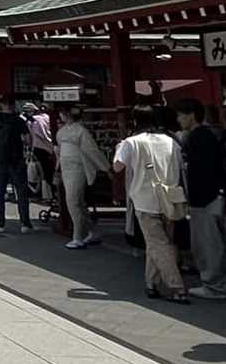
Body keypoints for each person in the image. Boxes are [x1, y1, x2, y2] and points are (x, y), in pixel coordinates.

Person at [113, 105, 188, 304]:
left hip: (145, 199)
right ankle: (151, 283)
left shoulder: (131, 142)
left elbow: (117, 166)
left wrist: (119, 147)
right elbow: (181, 166)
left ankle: (175, 286)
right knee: (159, 242)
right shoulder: (172, 141)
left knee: (158, 243)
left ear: (135, 120)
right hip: (170, 197)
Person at [175, 99, 226, 299]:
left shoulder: (198, 137)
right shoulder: (211, 136)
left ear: (191, 114)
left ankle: (214, 285)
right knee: (223, 244)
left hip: (205, 199)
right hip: (219, 196)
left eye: (181, 114)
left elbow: (201, 173)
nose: (178, 119)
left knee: (208, 245)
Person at [55, 106, 109, 249]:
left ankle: (78, 236)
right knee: (77, 202)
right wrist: (57, 169)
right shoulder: (63, 131)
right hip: (67, 167)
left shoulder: (81, 131)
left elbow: (92, 151)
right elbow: (59, 151)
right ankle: (91, 231)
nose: (61, 116)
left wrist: (105, 167)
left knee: (73, 201)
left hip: (77, 167)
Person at [0, 101, 34, 233]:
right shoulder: (18, 120)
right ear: (13, 107)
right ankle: (25, 223)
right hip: (16, 159)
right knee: (21, 192)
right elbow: (27, 138)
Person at [23, 102, 55, 202]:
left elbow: (30, 136)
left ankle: (44, 195)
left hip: (38, 148)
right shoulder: (49, 118)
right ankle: (52, 194)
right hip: (51, 147)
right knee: (50, 171)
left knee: (41, 173)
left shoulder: (34, 120)